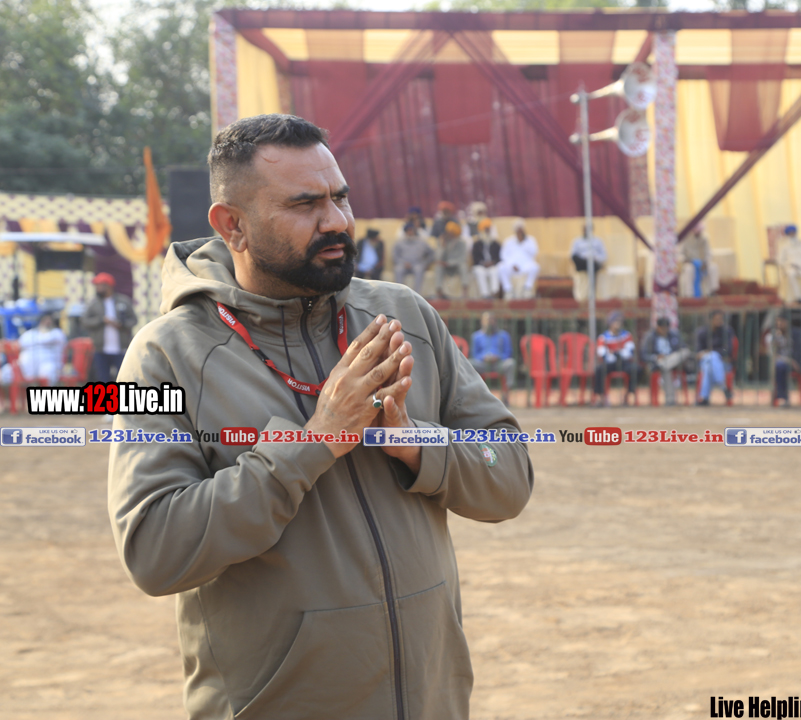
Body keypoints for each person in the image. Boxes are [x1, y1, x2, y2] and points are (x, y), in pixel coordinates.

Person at [107, 114, 534, 720]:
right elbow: (155, 549)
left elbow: (508, 473)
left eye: (340, 197)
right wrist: (314, 445)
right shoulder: (163, 356)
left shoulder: (404, 317)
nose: (336, 221)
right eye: (304, 204)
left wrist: (416, 444)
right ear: (232, 226)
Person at [82, 272, 137, 383]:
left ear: (108, 286)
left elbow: (133, 320)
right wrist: (101, 320)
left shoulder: (123, 301)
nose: (97, 288)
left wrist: (121, 324)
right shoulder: (94, 303)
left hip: (121, 347)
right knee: (102, 379)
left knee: (124, 378)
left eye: (100, 285)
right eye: (96, 286)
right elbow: (85, 321)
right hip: (100, 348)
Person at [0, 313, 66, 386]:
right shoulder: (30, 333)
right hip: (25, 367)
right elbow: (18, 344)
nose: (47, 322)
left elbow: (46, 339)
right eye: (45, 320)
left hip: (48, 366)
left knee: (48, 371)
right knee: (5, 372)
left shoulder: (57, 333)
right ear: (40, 321)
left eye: (49, 320)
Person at [641, 316, 692, 406]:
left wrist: (670, 357)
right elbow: (643, 355)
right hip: (657, 361)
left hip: (673, 361)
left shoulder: (674, 335)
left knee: (686, 352)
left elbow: (682, 348)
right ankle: (670, 400)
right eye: (662, 328)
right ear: (657, 327)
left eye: (666, 328)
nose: (664, 330)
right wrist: (656, 357)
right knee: (666, 369)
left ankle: (663, 364)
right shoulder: (650, 337)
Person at [470, 311, 514, 404]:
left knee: (510, 363)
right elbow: (474, 354)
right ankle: (475, 396)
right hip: (483, 364)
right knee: (469, 363)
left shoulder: (504, 335)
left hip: (499, 364)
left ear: (495, 321)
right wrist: (483, 357)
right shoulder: (476, 336)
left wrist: (498, 357)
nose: (489, 322)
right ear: (482, 322)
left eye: (492, 320)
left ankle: (506, 395)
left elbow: (508, 352)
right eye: (487, 320)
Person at [594, 311, 636, 406]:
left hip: (624, 362)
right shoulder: (603, 337)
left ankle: (627, 396)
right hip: (610, 363)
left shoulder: (627, 335)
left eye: (620, 321)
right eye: (615, 321)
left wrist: (616, 353)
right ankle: (601, 397)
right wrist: (614, 355)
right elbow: (602, 353)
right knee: (599, 370)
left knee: (635, 369)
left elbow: (630, 351)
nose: (618, 324)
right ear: (610, 323)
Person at [695, 310, 733, 406]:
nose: (719, 321)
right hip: (704, 362)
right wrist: (708, 354)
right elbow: (698, 352)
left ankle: (704, 398)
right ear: (710, 320)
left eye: (721, 319)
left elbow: (727, 350)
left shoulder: (726, 331)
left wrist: (712, 353)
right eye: (716, 319)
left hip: (723, 362)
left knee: (710, 361)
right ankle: (722, 385)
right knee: (709, 360)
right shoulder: (702, 332)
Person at [498, 219, 540, 299]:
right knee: (501, 267)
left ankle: (527, 288)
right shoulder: (509, 241)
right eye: (518, 230)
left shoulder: (530, 240)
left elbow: (534, 253)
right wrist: (512, 265)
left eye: (521, 230)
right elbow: (503, 256)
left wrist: (524, 242)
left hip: (525, 266)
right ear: (515, 230)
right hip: (512, 266)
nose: (520, 232)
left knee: (535, 267)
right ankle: (508, 290)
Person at [392, 221, 435, 293]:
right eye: (408, 231)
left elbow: (432, 253)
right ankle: (400, 293)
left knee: (419, 270)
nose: (410, 232)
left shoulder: (422, 242)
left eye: (411, 230)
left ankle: (417, 294)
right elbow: (395, 255)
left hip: (417, 263)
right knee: (398, 270)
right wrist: (402, 262)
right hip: (403, 264)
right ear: (405, 232)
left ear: (414, 231)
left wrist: (425, 263)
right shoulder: (399, 242)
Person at [433, 220, 470, 299]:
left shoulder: (461, 243)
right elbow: (438, 258)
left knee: (463, 266)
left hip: (456, 267)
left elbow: (462, 259)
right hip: (446, 268)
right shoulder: (443, 242)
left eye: (451, 232)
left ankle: (465, 292)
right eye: (448, 232)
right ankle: (439, 292)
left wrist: (448, 263)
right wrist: (442, 246)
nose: (450, 234)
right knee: (438, 267)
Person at [471, 218, 501, 299]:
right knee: (479, 271)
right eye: (485, 230)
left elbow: (499, 258)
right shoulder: (477, 244)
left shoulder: (495, 244)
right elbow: (475, 258)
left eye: (488, 229)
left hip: (492, 265)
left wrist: (493, 262)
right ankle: (485, 295)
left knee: (494, 271)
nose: (487, 231)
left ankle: (494, 293)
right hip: (481, 265)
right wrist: (483, 263)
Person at [681, 223, 711, 298]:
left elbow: (708, 253)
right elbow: (680, 254)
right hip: (689, 262)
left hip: (701, 262)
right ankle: (689, 294)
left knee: (712, 268)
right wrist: (688, 260)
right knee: (689, 269)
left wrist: (705, 262)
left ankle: (709, 292)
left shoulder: (704, 239)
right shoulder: (685, 239)